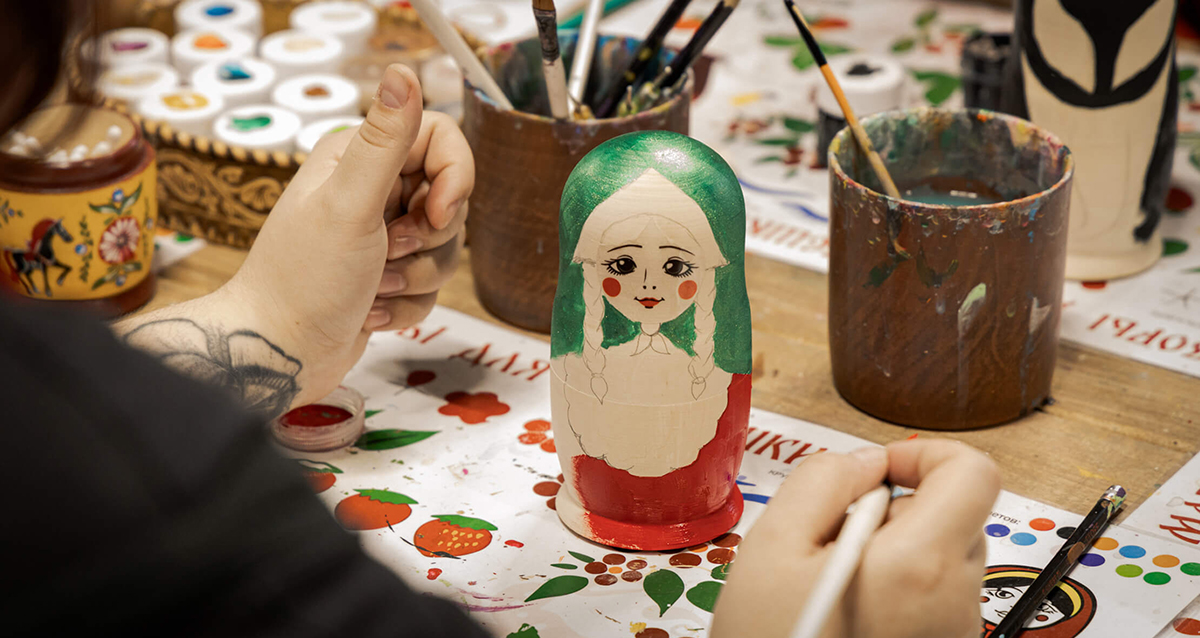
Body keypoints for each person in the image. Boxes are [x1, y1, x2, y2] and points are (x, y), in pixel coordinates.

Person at [0, 3, 1001, 637]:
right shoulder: (163, 506)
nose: (649, 286)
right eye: (620, 266)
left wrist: (267, 319)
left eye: (677, 268)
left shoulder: (75, 438)